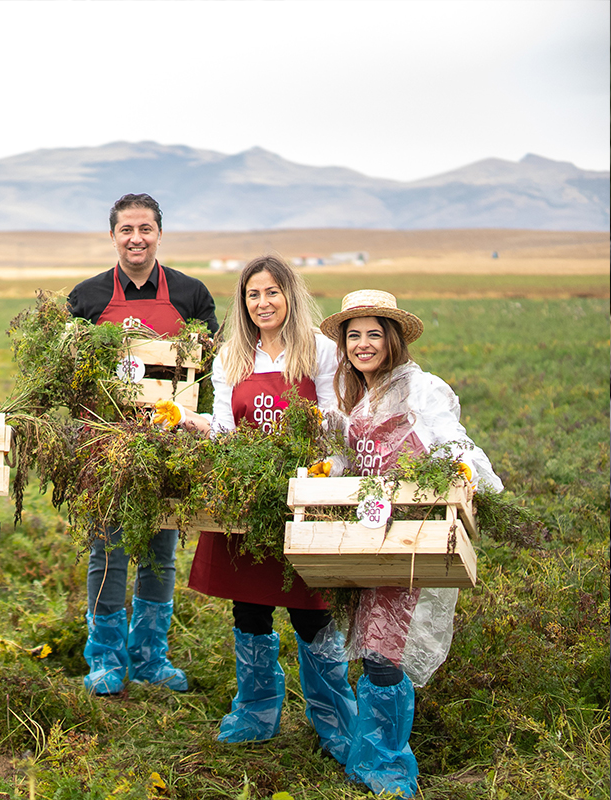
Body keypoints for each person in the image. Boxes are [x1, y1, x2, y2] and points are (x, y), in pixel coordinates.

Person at [319, 290, 503, 796]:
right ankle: (368, 757)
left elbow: (451, 441)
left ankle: (390, 768)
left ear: (393, 339)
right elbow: (346, 459)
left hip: (410, 535)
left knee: (387, 650)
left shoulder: (421, 389)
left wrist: (468, 473)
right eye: (353, 336)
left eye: (373, 334)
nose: (362, 344)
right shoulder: (353, 397)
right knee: (370, 643)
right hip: (367, 536)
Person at [178, 255, 356, 762]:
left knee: (312, 612)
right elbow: (226, 430)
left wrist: (317, 470)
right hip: (248, 498)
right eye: (253, 294)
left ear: (290, 296)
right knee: (250, 607)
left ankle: (335, 721)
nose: (263, 303)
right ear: (243, 301)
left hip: (304, 494)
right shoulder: (232, 355)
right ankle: (255, 712)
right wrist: (195, 426)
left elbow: (335, 420)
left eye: (272, 292)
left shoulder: (321, 350)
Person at [67, 193, 219, 695]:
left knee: (161, 548)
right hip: (106, 448)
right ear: (112, 235)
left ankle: (152, 657)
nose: (137, 238)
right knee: (105, 550)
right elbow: (70, 378)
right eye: (127, 229)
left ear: (159, 233)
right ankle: (105, 658)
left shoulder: (192, 296)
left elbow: (213, 371)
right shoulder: (86, 299)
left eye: (146, 229)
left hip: (170, 446)